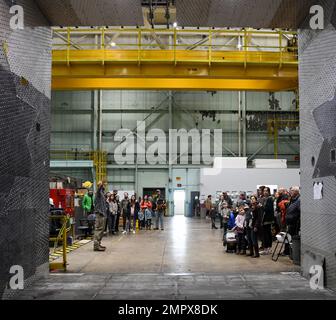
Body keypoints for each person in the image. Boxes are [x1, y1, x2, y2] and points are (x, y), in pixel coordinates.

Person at [284, 186, 301, 255]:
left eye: (292, 190)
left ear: (297, 192)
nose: (290, 192)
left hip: (295, 223)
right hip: (289, 222)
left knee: (292, 239)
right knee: (288, 237)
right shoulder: (292, 200)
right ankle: (287, 252)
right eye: (290, 190)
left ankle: (293, 253)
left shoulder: (299, 200)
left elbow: (300, 212)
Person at [93, 180, 108, 252]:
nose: (105, 186)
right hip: (99, 213)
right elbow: (99, 189)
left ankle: (98, 244)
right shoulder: (98, 193)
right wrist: (101, 184)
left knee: (101, 230)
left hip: (102, 214)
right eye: (103, 185)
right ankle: (96, 246)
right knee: (98, 229)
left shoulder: (102, 193)